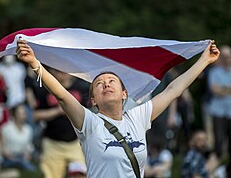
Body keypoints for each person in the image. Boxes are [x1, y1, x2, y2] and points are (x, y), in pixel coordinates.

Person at [16, 38, 219, 177]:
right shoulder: (89, 122)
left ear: (124, 94)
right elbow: (61, 95)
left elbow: (173, 90)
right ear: (93, 100)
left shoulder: (138, 117)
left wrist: (204, 61)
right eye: (99, 83)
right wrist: (35, 63)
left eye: (112, 80)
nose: (106, 84)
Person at [33, 67, 88, 178]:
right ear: (52, 71)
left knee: (81, 174)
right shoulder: (45, 89)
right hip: (52, 143)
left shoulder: (81, 88)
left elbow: (87, 115)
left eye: (65, 68)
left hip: (75, 143)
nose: (63, 73)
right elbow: (35, 116)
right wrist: (57, 111)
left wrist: (71, 111)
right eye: (58, 70)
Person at [207, 45, 231, 177]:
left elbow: (219, 90)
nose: (227, 59)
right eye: (224, 57)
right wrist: (227, 89)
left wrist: (223, 89)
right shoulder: (214, 72)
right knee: (218, 144)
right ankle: (213, 173)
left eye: (228, 56)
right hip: (218, 112)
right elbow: (215, 91)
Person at [0, 103, 35, 171]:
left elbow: (29, 146)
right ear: (14, 114)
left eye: (24, 113)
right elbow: (1, 147)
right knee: (17, 162)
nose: (23, 115)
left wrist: (28, 155)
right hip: (9, 157)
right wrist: (10, 156)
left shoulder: (28, 129)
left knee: (23, 163)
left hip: (22, 156)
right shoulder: (5, 128)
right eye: (20, 113)